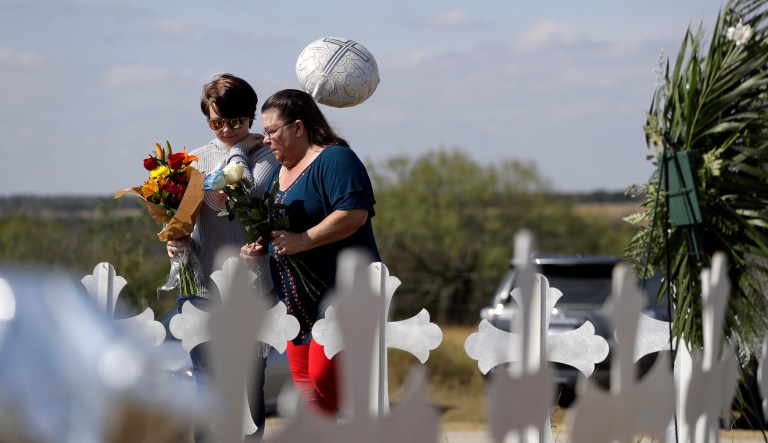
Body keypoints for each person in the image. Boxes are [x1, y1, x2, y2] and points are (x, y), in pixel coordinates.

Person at [240, 88, 381, 416]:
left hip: (340, 295)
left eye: (272, 131)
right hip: (296, 305)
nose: (266, 140)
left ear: (298, 127)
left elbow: (353, 214)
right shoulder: (278, 175)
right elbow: (279, 228)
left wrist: (303, 240)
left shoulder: (334, 159)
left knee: (324, 375)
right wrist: (260, 246)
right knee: (312, 400)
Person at [167, 73, 279, 441]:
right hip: (200, 286)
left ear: (250, 116)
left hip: (251, 287)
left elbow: (246, 188)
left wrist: (240, 149)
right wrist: (175, 242)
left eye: (236, 122)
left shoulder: (267, 155)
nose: (226, 130)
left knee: (248, 388)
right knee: (205, 386)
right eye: (216, 123)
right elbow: (183, 219)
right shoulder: (193, 160)